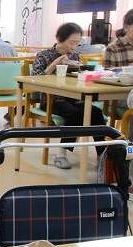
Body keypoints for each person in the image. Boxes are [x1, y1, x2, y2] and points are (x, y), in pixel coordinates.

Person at [32, 23, 106, 169]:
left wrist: (81, 69)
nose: (74, 46)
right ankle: (61, 154)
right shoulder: (44, 55)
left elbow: (79, 78)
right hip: (51, 99)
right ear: (60, 39)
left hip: (73, 98)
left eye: (77, 43)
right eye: (72, 42)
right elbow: (35, 79)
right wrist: (55, 64)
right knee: (75, 113)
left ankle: (102, 156)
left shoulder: (75, 55)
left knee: (96, 113)